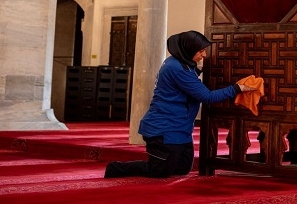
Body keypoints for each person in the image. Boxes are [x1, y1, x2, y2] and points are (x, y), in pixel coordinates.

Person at [104, 30, 256, 178]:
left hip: (180, 128)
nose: (204, 55)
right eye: (201, 51)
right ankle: (116, 168)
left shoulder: (178, 61)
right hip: (164, 129)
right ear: (188, 49)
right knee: (159, 171)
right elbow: (207, 97)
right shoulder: (176, 68)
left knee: (182, 169)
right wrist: (238, 88)